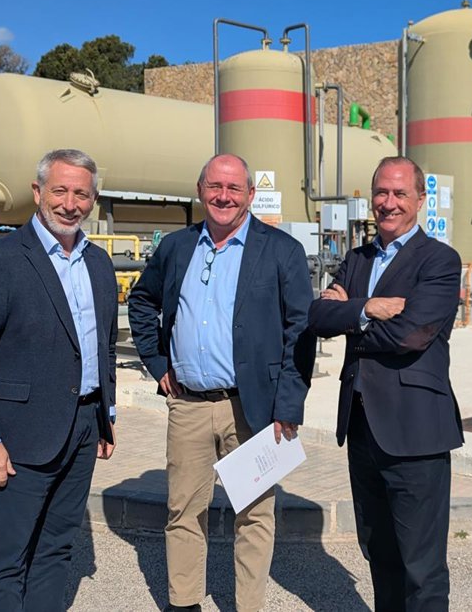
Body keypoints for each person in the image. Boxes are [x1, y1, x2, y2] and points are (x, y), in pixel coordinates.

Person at [127, 153, 315, 612]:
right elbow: (142, 301)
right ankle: (185, 603)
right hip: (188, 405)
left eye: (234, 188)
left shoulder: (281, 250)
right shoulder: (177, 247)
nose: (224, 196)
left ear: (250, 194)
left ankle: (247, 606)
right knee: (183, 511)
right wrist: (158, 361)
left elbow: (301, 331)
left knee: (254, 514)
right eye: (215, 186)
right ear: (200, 191)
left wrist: (288, 405)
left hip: (252, 408)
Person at [0, 148, 119, 611]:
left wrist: (106, 415)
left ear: (93, 199)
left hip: (82, 429)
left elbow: (102, 346)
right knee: (5, 561)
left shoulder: (98, 263)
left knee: (56, 549)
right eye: (60, 191)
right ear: (38, 191)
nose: (70, 204)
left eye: (81, 194)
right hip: (19, 438)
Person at [308, 156, 463, 612]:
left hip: (415, 431)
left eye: (399, 193)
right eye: (381, 192)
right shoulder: (358, 259)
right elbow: (317, 317)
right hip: (362, 429)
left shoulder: (439, 260)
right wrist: (367, 308)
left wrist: (348, 314)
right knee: (379, 553)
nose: (389, 203)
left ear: (420, 199)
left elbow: (412, 334)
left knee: (422, 568)